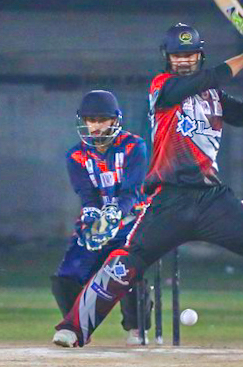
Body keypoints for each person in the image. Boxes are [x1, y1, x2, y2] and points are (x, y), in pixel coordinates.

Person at [52, 24, 243, 348]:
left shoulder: (212, 94)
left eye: (189, 54)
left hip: (212, 199)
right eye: (177, 55)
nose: (184, 61)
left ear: (199, 55)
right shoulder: (162, 87)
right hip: (168, 200)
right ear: (167, 57)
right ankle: (74, 328)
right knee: (122, 264)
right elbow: (210, 78)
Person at [50, 89, 151, 345]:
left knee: (126, 271)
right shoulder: (75, 155)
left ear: (115, 120)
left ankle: (136, 328)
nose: (95, 126)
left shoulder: (134, 147)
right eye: (90, 120)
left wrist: (115, 215)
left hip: (130, 221)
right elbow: (87, 195)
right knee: (66, 276)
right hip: (98, 222)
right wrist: (95, 220)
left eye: (101, 119)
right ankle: (76, 329)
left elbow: (131, 191)